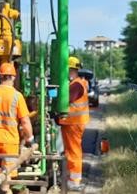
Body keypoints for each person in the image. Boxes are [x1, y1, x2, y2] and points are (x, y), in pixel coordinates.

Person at [0, 63, 34, 194]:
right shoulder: (17, 96)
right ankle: (5, 190)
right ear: (14, 77)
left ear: (0, 77)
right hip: (10, 140)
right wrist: (30, 138)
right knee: (6, 173)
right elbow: (25, 121)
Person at [59, 56, 90, 190]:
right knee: (70, 151)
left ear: (70, 69)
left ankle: (75, 180)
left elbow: (66, 100)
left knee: (74, 151)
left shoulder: (76, 85)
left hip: (74, 123)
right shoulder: (76, 83)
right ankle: (71, 177)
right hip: (71, 123)